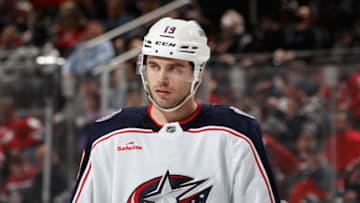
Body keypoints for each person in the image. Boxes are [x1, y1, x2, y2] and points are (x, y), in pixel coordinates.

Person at [71, 17, 280, 203]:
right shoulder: (108, 136)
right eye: (154, 66)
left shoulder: (235, 134)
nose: (161, 79)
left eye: (174, 68)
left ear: (198, 72)